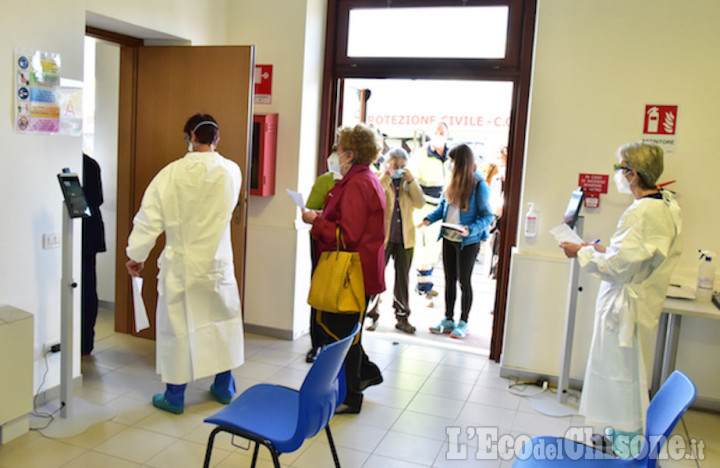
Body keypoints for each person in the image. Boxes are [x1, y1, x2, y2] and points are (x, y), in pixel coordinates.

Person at [559, 142, 682, 458]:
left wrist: (581, 252)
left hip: (625, 310)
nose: (617, 174)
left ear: (633, 174)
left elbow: (617, 268)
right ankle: (617, 442)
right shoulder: (666, 204)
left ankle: (627, 455)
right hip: (638, 305)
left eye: (620, 167)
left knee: (622, 382)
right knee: (621, 379)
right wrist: (600, 249)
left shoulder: (641, 212)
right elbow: (633, 256)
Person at [125, 113, 244, 414]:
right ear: (217, 138)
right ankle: (223, 385)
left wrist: (136, 256)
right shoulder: (232, 171)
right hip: (217, 264)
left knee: (177, 329)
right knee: (221, 323)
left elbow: (149, 219)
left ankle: (175, 396)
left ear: (190, 136)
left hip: (182, 265)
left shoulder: (171, 174)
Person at [301, 123, 385, 414]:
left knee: (342, 336)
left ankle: (351, 395)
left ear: (350, 153)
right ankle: (358, 381)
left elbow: (346, 236)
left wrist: (316, 222)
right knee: (347, 333)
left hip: (351, 272)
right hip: (361, 269)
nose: (335, 154)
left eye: (338, 148)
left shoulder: (358, 184)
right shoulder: (362, 180)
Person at [419, 144, 493, 339]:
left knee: (464, 281)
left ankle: (464, 322)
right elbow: (443, 208)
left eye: (453, 161)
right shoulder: (451, 182)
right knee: (449, 280)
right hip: (448, 237)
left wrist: (470, 229)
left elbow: (487, 217)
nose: (450, 165)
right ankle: (448, 319)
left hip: (468, 241)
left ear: (462, 163)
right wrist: (428, 219)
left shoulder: (478, 185)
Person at [366, 148, 424, 334]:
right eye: (394, 165)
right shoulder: (379, 178)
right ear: (387, 163)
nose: (398, 169)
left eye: (402, 166)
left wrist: (412, 181)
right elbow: (373, 196)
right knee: (376, 277)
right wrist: (386, 176)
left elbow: (420, 203)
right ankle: (371, 316)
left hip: (405, 239)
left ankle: (402, 316)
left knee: (403, 279)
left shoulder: (409, 182)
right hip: (382, 239)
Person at [303, 164, 341, 363]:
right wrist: (317, 215)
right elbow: (310, 207)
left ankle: (335, 345)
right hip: (321, 239)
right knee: (318, 289)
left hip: (342, 243)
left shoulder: (361, 180)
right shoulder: (325, 180)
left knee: (337, 293)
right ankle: (317, 343)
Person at [412, 122, 452, 306]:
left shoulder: (452, 155)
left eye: (442, 132)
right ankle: (423, 288)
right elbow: (413, 181)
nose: (439, 135)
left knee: (437, 248)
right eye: (436, 132)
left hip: (446, 208)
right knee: (424, 248)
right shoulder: (421, 154)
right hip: (425, 208)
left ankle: (427, 283)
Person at [81, 153, 106, 355]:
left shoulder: (82, 164)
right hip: (91, 231)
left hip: (84, 233)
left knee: (85, 289)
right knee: (88, 286)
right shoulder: (91, 163)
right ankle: (86, 342)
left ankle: (83, 341)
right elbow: (98, 198)